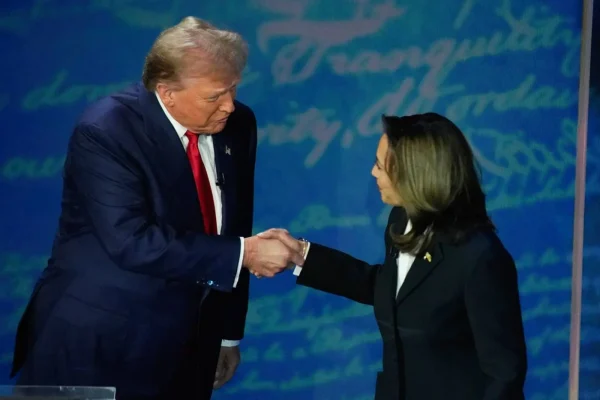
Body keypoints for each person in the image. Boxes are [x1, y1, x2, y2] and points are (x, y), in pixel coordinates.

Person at [10, 16, 304, 400]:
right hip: (100, 343)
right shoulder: (107, 130)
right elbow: (132, 240)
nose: (229, 105)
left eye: (232, 89)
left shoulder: (238, 123)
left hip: (193, 342)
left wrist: (227, 334)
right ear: (166, 93)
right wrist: (247, 253)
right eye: (214, 96)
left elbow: (234, 223)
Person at [259, 113, 528, 400]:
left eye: (380, 165)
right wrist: (302, 255)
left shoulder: (480, 257)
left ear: (415, 175)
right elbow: (392, 289)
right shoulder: (401, 220)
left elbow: (504, 375)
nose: (374, 173)